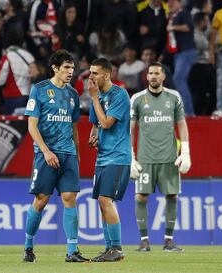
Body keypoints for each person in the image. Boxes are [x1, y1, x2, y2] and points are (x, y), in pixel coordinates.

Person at [23, 49, 90, 263]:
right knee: (41, 201)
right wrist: (46, 151)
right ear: (55, 68)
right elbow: (32, 126)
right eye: (66, 68)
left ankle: (72, 251)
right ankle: (28, 247)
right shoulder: (40, 90)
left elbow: (74, 127)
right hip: (46, 154)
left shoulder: (73, 94)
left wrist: (77, 152)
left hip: (68, 153)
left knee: (70, 198)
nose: (70, 72)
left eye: (72, 68)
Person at [130, 62, 191, 252]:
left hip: (169, 158)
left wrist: (186, 152)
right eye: (150, 73)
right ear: (146, 77)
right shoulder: (138, 99)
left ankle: (169, 241)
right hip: (145, 159)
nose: (153, 76)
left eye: (157, 73)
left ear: (163, 76)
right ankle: (144, 241)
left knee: (172, 196)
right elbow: (130, 129)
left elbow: (181, 124)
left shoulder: (174, 97)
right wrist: (130, 156)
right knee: (140, 197)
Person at [87, 58, 131, 262]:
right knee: (101, 203)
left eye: (95, 73)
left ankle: (117, 248)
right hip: (102, 157)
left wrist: (94, 99)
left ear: (106, 75)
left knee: (106, 200)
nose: (91, 76)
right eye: (90, 72)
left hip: (118, 156)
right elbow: (96, 124)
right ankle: (108, 248)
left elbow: (106, 122)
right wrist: (93, 135)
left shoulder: (119, 94)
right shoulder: (98, 95)